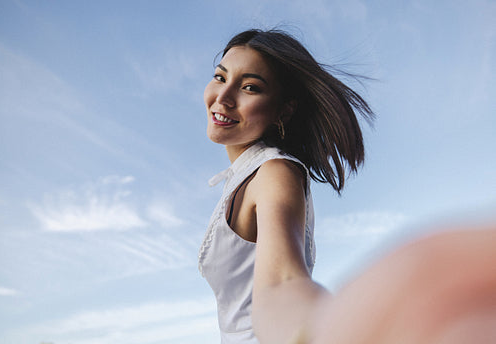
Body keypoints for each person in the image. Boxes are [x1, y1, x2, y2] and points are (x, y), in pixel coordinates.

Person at [197, 28, 496, 344]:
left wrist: (331, 329)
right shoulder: (243, 176)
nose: (224, 96)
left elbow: (283, 282)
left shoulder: (273, 172)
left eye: (250, 87)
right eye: (220, 77)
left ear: (284, 108)